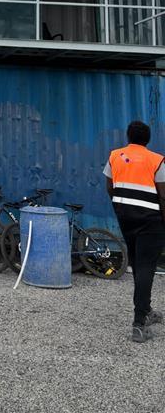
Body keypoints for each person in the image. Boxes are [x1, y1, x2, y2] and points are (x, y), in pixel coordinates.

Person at [104, 120, 165, 343]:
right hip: (151, 221)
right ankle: (139, 323)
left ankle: (146, 309)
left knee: (139, 264)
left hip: (126, 218)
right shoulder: (156, 160)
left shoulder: (115, 156)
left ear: (128, 136)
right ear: (147, 139)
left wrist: (121, 207)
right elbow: (163, 194)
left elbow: (109, 186)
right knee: (146, 266)